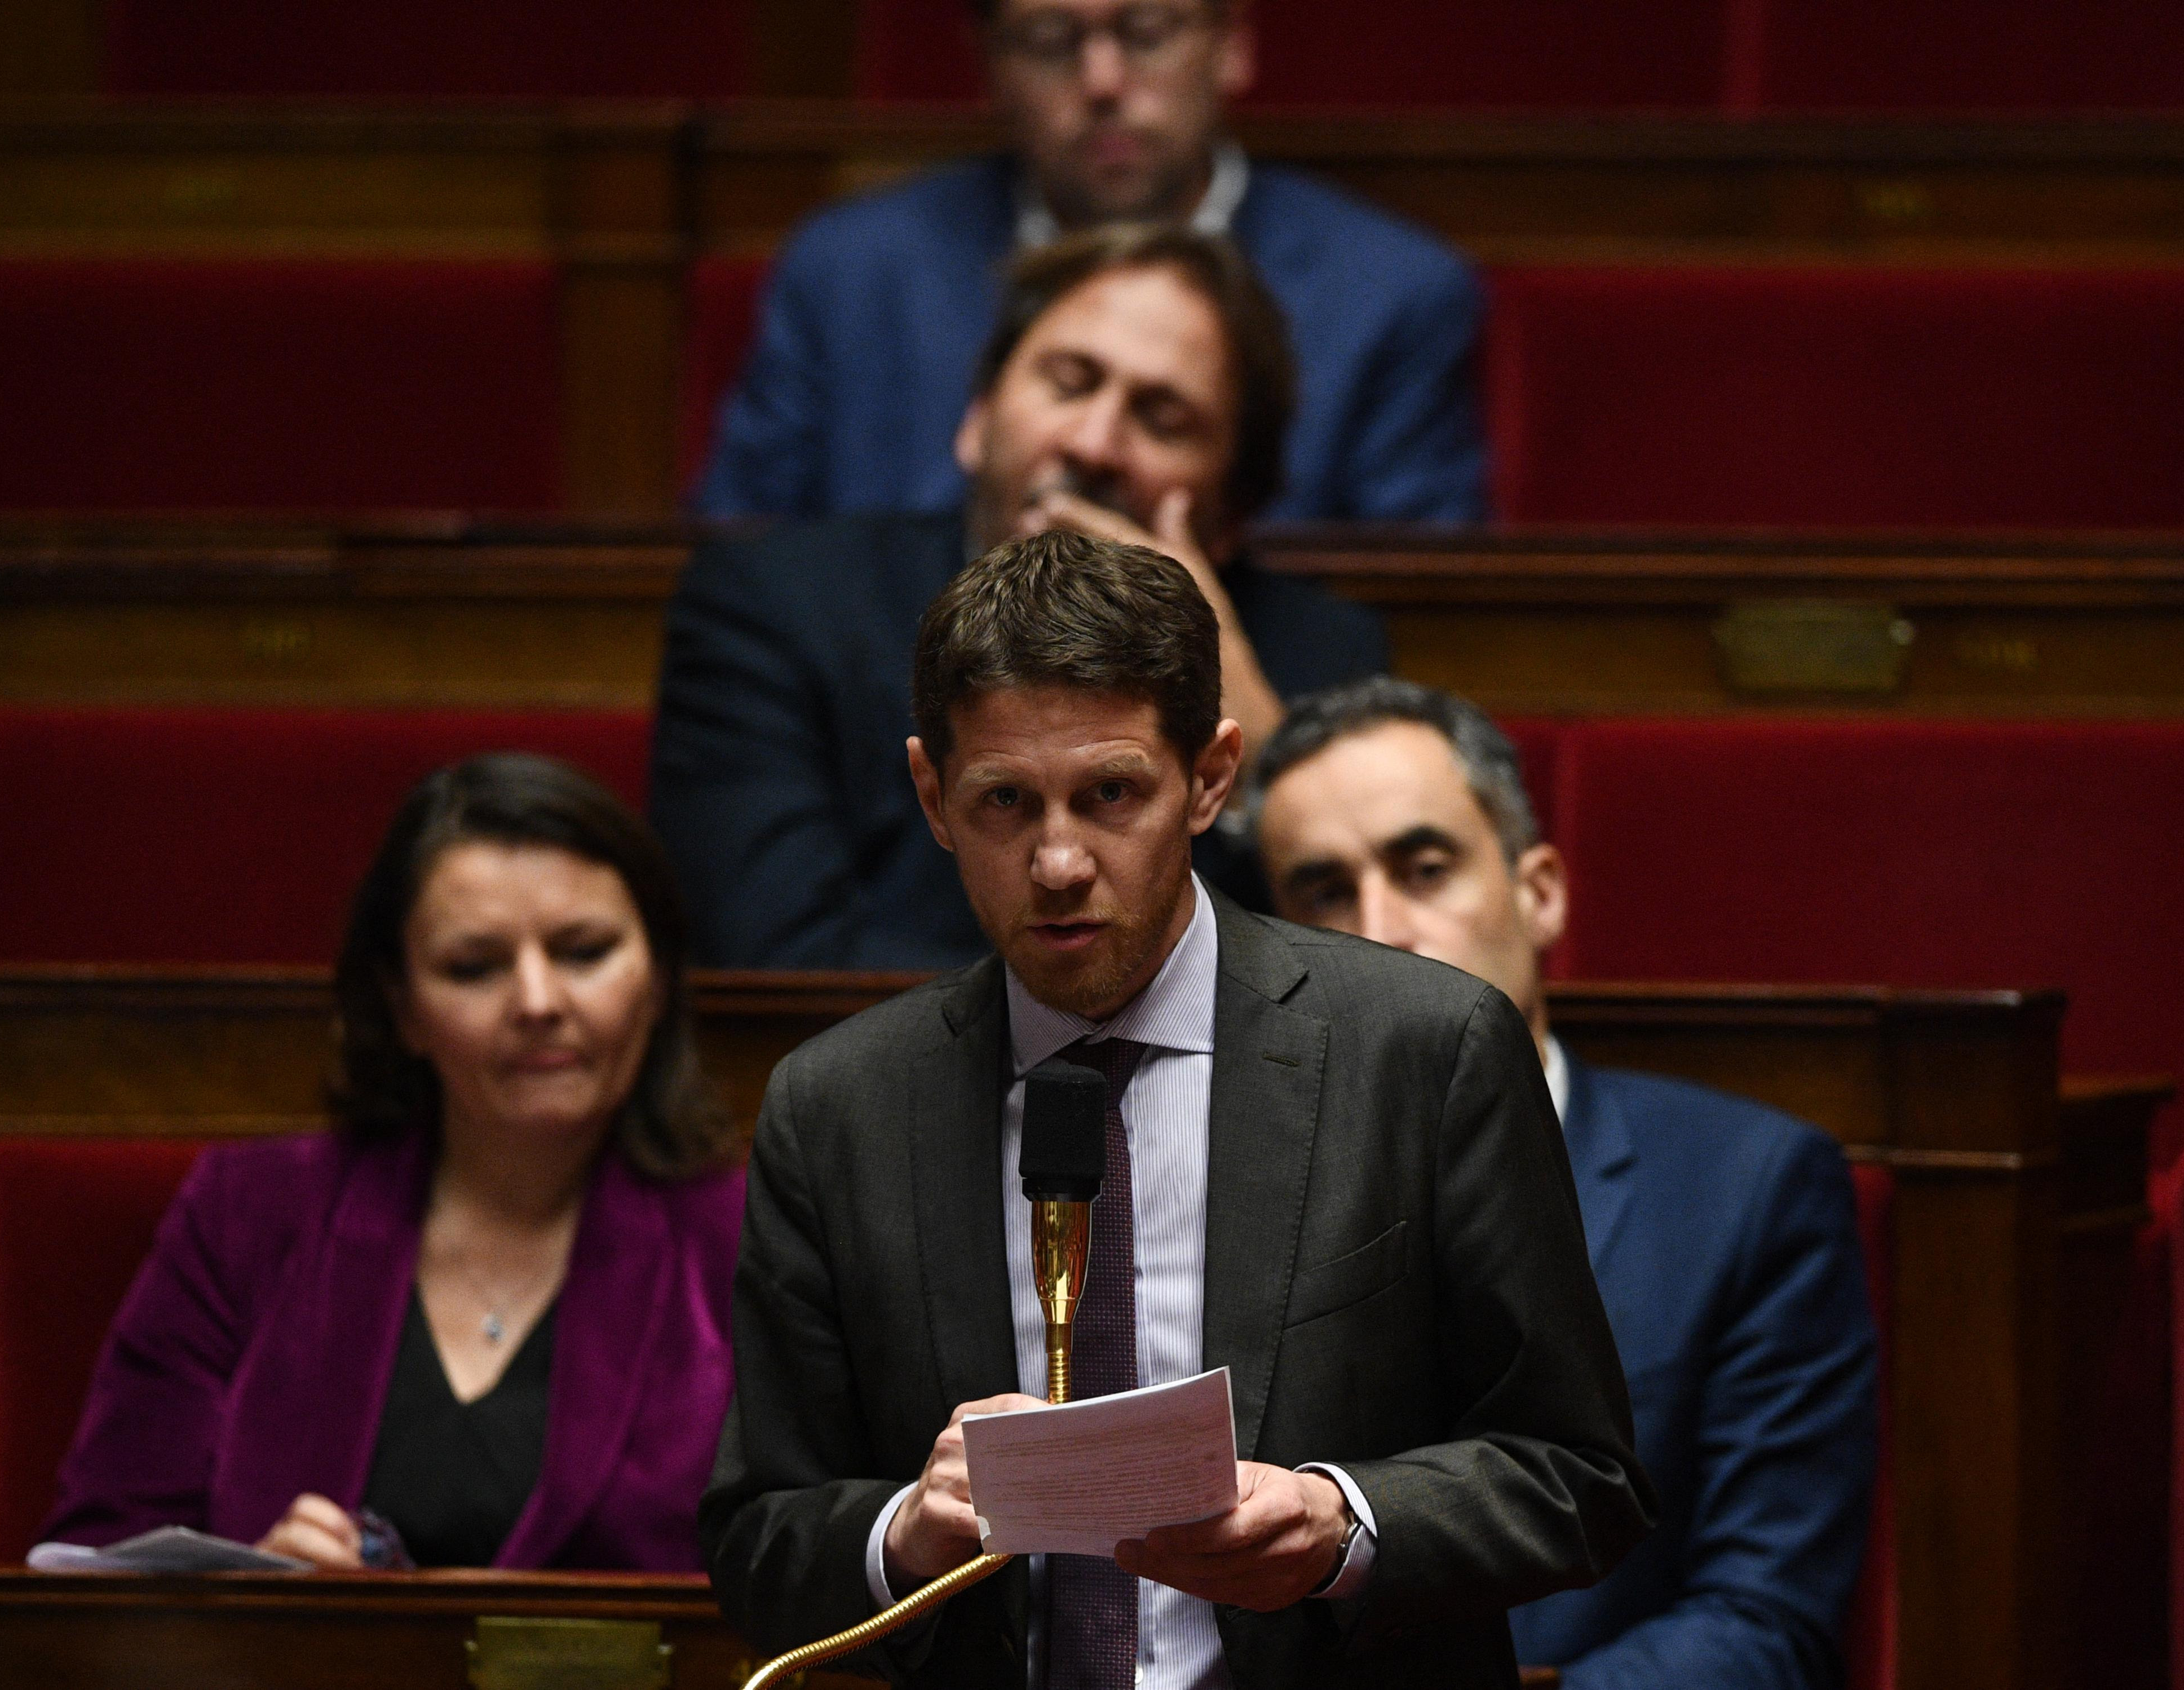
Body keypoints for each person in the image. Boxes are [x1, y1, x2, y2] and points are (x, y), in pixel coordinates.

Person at [700, 531, 1650, 1688]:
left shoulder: (1422, 1051)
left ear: (1209, 776)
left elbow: (1578, 1476)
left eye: (1110, 794)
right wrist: (907, 1525)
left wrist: (1339, 1520)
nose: (1057, 860)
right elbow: (756, 1535)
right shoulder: (839, 1105)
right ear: (930, 795)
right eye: (1005, 800)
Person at [1244, 677, 1881, 1690]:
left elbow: (1769, 1621)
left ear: (1539, 892)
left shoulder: (1747, 1190)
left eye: (1425, 867)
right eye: (1323, 891)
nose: (1380, 929)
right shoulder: (1227, 1193)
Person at [43, 754, 745, 1572]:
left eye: (583, 951)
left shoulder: (745, 1236)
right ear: (401, 1004)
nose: (538, 1001)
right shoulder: (249, 1212)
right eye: (473, 966)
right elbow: (105, 1554)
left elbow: (802, 1568)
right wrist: (251, 1594)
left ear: (657, 979)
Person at [653, 223, 1386, 970]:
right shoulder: (776, 607)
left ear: (1229, 515)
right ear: (977, 419)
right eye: (1069, 383)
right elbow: (776, 951)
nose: (1095, 444)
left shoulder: (1318, 656)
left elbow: (1362, 969)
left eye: (1162, 419)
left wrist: (1266, 761)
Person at [693, 0, 1485, 524]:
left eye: (1146, 32)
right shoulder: (849, 274)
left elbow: (1420, 622)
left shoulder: (1389, 292)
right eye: (1050, 42)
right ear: (987, 64)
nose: (1103, 82)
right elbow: (740, 566)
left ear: (1233, 44)